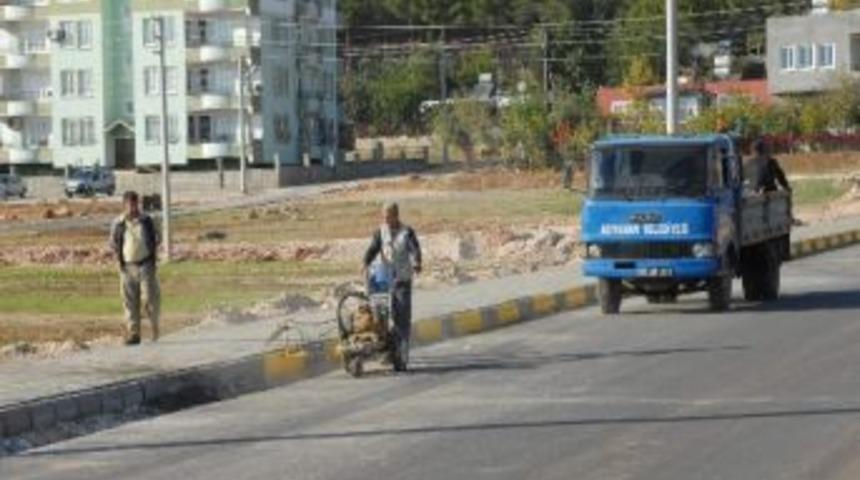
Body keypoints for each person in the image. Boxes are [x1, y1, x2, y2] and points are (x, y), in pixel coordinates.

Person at [362, 202, 422, 369]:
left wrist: (416, 263)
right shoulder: (380, 232)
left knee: (401, 317)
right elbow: (373, 249)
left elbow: (414, 249)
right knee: (379, 315)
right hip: (384, 279)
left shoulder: (407, 232)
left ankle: (401, 356)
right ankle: (386, 349)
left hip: (402, 279)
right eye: (383, 216)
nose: (385, 220)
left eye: (388, 216)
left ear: (396, 215)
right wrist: (365, 263)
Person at [109, 191, 161, 346]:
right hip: (127, 267)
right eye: (129, 205)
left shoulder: (147, 221)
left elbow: (157, 238)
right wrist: (119, 257)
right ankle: (134, 334)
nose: (133, 208)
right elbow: (112, 242)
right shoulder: (118, 223)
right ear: (124, 205)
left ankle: (154, 329)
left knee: (149, 299)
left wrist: (151, 255)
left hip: (145, 265)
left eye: (135, 204)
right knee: (129, 302)